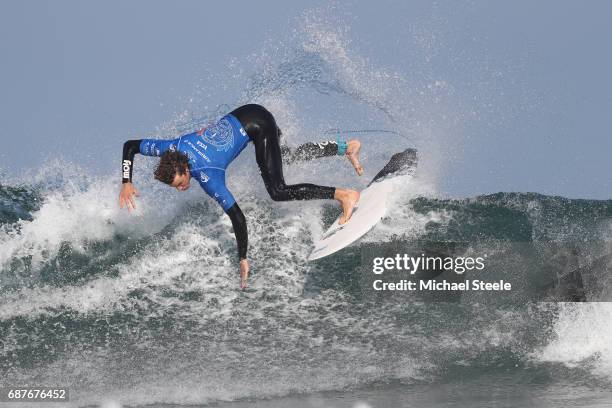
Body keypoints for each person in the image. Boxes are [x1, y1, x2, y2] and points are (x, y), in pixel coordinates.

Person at [119, 104, 362, 289]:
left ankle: (343, 195)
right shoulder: (170, 147)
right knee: (286, 156)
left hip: (259, 126)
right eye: (176, 187)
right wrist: (126, 182)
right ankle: (346, 148)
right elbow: (130, 145)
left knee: (277, 191)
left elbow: (238, 217)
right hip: (249, 111)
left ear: (185, 170)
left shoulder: (208, 176)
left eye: (180, 183)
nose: (181, 188)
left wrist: (243, 257)